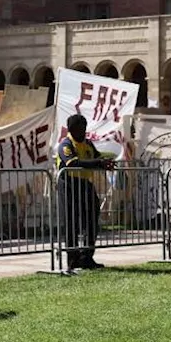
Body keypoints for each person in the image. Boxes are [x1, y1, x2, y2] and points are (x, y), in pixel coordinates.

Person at [56, 114, 115, 270]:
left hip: (86, 185)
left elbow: (97, 157)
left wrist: (106, 162)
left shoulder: (88, 144)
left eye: (84, 128)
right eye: (79, 129)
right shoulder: (65, 145)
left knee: (91, 222)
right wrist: (98, 162)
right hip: (68, 186)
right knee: (72, 224)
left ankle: (87, 257)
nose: (82, 132)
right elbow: (72, 162)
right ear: (72, 130)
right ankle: (72, 261)